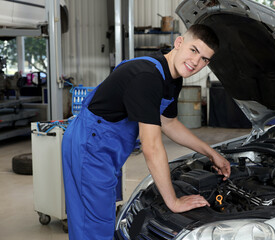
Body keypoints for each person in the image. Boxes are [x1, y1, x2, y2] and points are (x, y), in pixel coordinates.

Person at [62, 24, 231, 240]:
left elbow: (169, 123)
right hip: (90, 144)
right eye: (194, 50)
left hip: (106, 145)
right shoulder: (148, 76)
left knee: (101, 214)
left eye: (205, 59)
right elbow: (151, 147)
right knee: (92, 225)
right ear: (179, 43)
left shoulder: (172, 77)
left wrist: (211, 153)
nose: (196, 62)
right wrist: (173, 201)